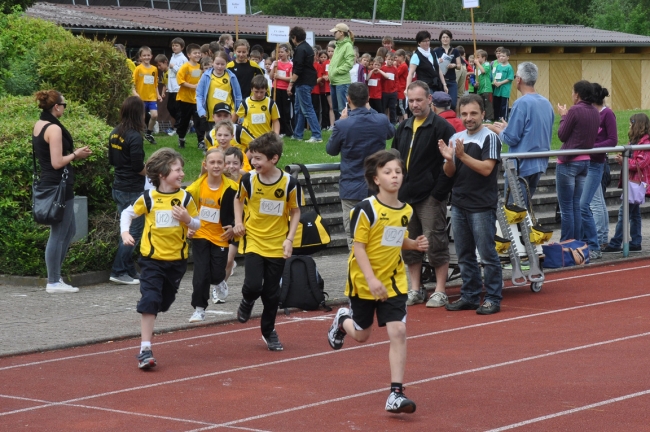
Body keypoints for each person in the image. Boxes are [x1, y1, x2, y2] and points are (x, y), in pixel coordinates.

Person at [326, 150, 427, 414]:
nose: (395, 176)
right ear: (376, 178)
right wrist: (370, 279)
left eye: (398, 171)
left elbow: (393, 238)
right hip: (363, 280)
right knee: (361, 335)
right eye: (388, 172)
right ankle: (341, 319)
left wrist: (413, 244)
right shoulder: (365, 209)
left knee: (399, 332)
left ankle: (396, 393)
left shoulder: (406, 209)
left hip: (394, 281)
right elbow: (359, 247)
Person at [120, 148, 200, 369]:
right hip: (152, 260)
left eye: (181, 169)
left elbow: (198, 223)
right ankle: (145, 349)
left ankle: (153, 305)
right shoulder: (149, 198)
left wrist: (187, 220)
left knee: (163, 302)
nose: (182, 173)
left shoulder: (185, 197)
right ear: (162, 174)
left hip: (177, 261)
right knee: (150, 300)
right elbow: (127, 213)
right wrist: (125, 233)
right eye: (177, 170)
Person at [233, 133, 302, 352]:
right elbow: (238, 200)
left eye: (258, 159)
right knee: (253, 285)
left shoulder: (289, 183)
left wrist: (289, 239)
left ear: (274, 158)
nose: (253, 163)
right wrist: (238, 222)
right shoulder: (248, 180)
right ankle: (247, 300)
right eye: (252, 158)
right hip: (254, 239)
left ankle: (268, 330)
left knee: (272, 294)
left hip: (277, 243)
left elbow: (295, 211)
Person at [391, 81, 455, 308]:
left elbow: (451, 162)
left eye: (419, 100)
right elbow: (395, 157)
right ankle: (416, 288)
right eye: (411, 100)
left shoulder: (442, 127)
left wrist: (438, 193)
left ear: (430, 100)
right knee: (409, 243)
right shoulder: (404, 126)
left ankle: (440, 290)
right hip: (404, 196)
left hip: (430, 196)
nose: (414, 105)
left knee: (434, 241)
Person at [439, 94, 503, 315]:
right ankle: (470, 295)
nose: (468, 118)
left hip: (482, 205)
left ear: (483, 114)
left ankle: (493, 297)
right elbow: (449, 173)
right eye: (464, 114)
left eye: (474, 113)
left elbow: (486, 169)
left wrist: (462, 156)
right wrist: (449, 159)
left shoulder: (490, 138)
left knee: (487, 254)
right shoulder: (456, 137)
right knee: (464, 254)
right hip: (459, 203)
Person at [33, 90, 92, 294]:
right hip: (58, 184)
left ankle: (56, 277)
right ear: (56, 107)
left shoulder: (40, 124)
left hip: (52, 183)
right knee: (58, 233)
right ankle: (53, 281)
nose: (65, 108)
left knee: (70, 230)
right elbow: (57, 162)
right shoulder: (54, 129)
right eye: (64, 104)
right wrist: (76, 155)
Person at [326, 82, 395, 249]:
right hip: (377, 186)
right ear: (368, 98)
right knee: (379, 237)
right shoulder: (380, 119)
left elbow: (331, 150)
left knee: (355, 237)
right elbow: (391, 132)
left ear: (348, 99)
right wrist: (371, 111)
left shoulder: (343, 124)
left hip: (351, 186)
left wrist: (341, 121)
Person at [487, 62, 554, 207]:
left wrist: (496, 129)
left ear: (519, 80)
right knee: (526, 213)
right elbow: (533, 129)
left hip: (521, 166)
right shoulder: (546, 103)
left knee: (515, 214)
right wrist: (508, 127)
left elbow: (511, 138)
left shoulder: (521, 103)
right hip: (539, 163)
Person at [185, 148, 238, 319]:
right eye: (212, 162)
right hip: (201, 234)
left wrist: (235, 226)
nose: (216, 166)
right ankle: (199, 309)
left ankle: (220, 282)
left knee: (216, 274)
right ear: (205, 165)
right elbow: (182, 210)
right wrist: (188, 227)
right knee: (200, 274)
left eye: (219, 162)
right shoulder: (195, 188)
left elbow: (242, 211)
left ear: (224, 165)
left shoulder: (233, 188)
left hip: (221, 238)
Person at [108, 96, 147, 285]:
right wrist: (155, 172)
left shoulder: (115, 133)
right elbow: (138, 166)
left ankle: (130, 270)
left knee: (126, 228)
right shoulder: (134, 136)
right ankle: (119, 270)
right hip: (132, 190)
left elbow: (112, 161)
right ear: (138, 113)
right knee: (134, 232)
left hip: (118, 187)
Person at [556, 80, 600, 242]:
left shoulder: (574, 110)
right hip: (585, 162)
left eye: (573, 92)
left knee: (567, 208)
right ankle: (576, 243)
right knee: (575, 205)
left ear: (578, 94)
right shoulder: (595, 112)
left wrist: (563, 116)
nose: (571, 95)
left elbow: (562, 135)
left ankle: (566, 244)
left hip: (569, 162)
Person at [603, 113, 650, 253]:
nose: (629, 127)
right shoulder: (634, 142)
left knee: (624, 213)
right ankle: (636, 241)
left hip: (635, 183)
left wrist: (623, 161)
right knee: (634, 214)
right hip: (631, 181)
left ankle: (616, 242)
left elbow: (641, 163)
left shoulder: (645, 143)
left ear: (637, 125)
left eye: (631, 124)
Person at [588, 83, 617, 256]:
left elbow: (612, 140)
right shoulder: (593, 113)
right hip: (591, 161)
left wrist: (591, 146)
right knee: (597, 201)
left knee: (595, 202)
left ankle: (599, 238)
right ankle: (602, 237)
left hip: (598, 162)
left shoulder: (607, 114)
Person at [288, 26, 323, 143]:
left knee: (307, 109)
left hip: (303, 82)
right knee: (298, 108)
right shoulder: (307, 47)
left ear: (295, 38)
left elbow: (298, 68)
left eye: (292, 38)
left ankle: (317, 135)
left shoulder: (300, 49)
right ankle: (298, 134)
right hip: (307, 81)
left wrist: (291, 84)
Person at [196, 51, 242, 132]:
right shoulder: (205, 76)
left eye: (222, 64)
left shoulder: (232, 77)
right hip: (211, 114)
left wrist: (239, 113)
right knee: (212, 139)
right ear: (212, 62)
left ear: (227, 63)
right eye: (217, 64)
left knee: (226, 137)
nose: (219, 66)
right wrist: (201, 110)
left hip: (228, 114)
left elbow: (238, 96)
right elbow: (199, 95)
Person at [175, 43, 203, 149]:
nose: (197, 55)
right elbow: (180, 81)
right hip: (184, 99)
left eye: (199, 53)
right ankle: (181, 138)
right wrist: (193, 86)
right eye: (195, 53)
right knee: (184, 121)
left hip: (197, 99)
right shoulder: (185, 67)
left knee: (199, 120)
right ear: (189, 55)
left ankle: (201, 141)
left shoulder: (201, 67)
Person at [132, 46, 162, 145]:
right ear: (140, 57)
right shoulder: (138, 69)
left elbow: (155, 84)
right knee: (142, 118)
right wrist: (135, 94)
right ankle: (139, 135)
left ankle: (149, 133)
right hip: (141, 98)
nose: (146, 57)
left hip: (152, 97)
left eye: (148, 55)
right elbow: (132, 84)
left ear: (151, 56)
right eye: (144, 55)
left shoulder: (154, 69)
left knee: (154, 115)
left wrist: (158, 95)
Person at [405, 31, 447, 97]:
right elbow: (410, 73)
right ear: (419, 43)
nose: (427, 43)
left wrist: (444, 84)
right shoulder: (416, 55)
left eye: (428, 40)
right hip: (425, 86)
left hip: (437, 84)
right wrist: (407, 88)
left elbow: (438, 69)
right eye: (424, 41)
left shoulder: (432, 52)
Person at [328, 23, 356, 119]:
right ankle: (339, 130)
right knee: (336, 109)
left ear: (341, 33)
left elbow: (349, 64)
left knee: (343, 109)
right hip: (334, 81)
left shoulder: (347, 46)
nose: (334, 33)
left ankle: (345, 130)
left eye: (335, 32)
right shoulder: (338, 46)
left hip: (342, 82)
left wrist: (335, 71)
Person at [432, 30, 461, 110]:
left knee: (453, 103)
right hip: (440, 80)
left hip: (451, 80)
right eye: (443, 37)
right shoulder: (436, 51)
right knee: (439, 103)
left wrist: (454, 65)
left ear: (450, 39)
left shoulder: (455, 51)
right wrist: (438, 61)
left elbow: (459, 66)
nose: (445, 39)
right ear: (440, 39)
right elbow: (432, 65)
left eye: (447, 37)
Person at [270, 43, 294, 137]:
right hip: (276, 88)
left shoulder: (291, 64)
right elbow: (271, 76)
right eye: (278, 52)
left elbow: (291, 78)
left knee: (286, 110)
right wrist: (274, 68)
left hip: (285, 89)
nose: (280, 54)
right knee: (277, 109)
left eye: (282, 52)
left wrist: (279, 77)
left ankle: (287, 131)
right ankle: (278, 130)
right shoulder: (276, 63)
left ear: (288, 53)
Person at [166, 38, 188, 137]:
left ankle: (179, 127)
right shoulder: (173, 56)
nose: (174, 47)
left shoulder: (183, 58)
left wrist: (173, 66)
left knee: (177, 108)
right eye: (173, 45)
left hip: (178, 87)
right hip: (171, 86)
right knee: (170, 107)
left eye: (177, 45)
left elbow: (183, 72)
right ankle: (184, 122)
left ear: (182, 47)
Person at [492, 49, 514, 121]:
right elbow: (495, 75)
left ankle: (504, 118)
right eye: (500, 56)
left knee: (504, 105)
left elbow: (510, 78)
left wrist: (500, 83)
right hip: (497, 89)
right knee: (496, 104)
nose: (501, 57)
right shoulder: (498, 66)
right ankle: (496, 118)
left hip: (504, 90)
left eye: (503, 56)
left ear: (508, 57)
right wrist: (495, 81)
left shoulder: (509, 67)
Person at [474, 50, 494, 122]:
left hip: (487, 88)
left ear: (484, 58)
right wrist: (476, 83)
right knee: (480, 104)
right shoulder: (477, 67)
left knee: (488, 104)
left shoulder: (486, 64)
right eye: (475, 57)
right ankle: (482, 117)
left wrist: (477, 64)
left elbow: (483, 71)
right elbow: (478, 77)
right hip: (480, 89)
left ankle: (489, 118)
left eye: (478, 57)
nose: (476, 59)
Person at [381, 52, 399, 124]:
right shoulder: (382, 68)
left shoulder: (395, 69)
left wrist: (395, 89)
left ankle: (393, 123)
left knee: (393, 108)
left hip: (392, 92)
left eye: (392, 59)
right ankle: (383, 122)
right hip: (384, 91)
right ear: (386, 59)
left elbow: (396, 80)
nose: (390, 61)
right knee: (383, 108)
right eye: (389, 59)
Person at [395, 49, 409, 122]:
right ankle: (401, 122)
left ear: (402, 57)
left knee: (402, 106)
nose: (396, 59)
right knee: (400, 107)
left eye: (397, 57)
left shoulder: (403, 66)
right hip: (400, 88)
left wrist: (394, 66)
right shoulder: (402, 65)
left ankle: (405, 121)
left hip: (401, 88)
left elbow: (396, 74)